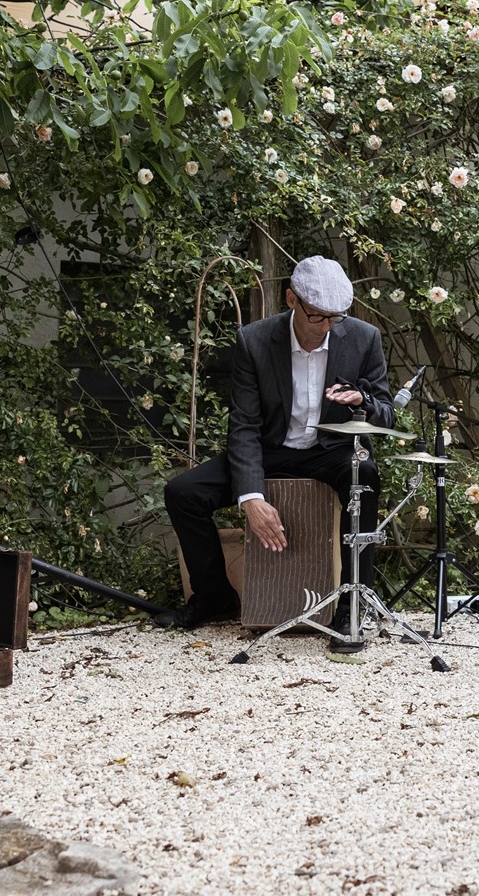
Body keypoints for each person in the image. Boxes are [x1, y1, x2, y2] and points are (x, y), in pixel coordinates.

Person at [159, 256, 393, 632]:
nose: (326, 327)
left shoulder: (364, 338)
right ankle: (214, 599)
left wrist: (361, 402)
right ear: (291, 299)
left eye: (336, 318)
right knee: (182, 493)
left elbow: (386, 413)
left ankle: (352, 604)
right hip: (270, 448)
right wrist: (250, 496)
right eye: (317, 316)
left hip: (329, 451)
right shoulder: (254, 340)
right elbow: (244, 425)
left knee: (363, 474)